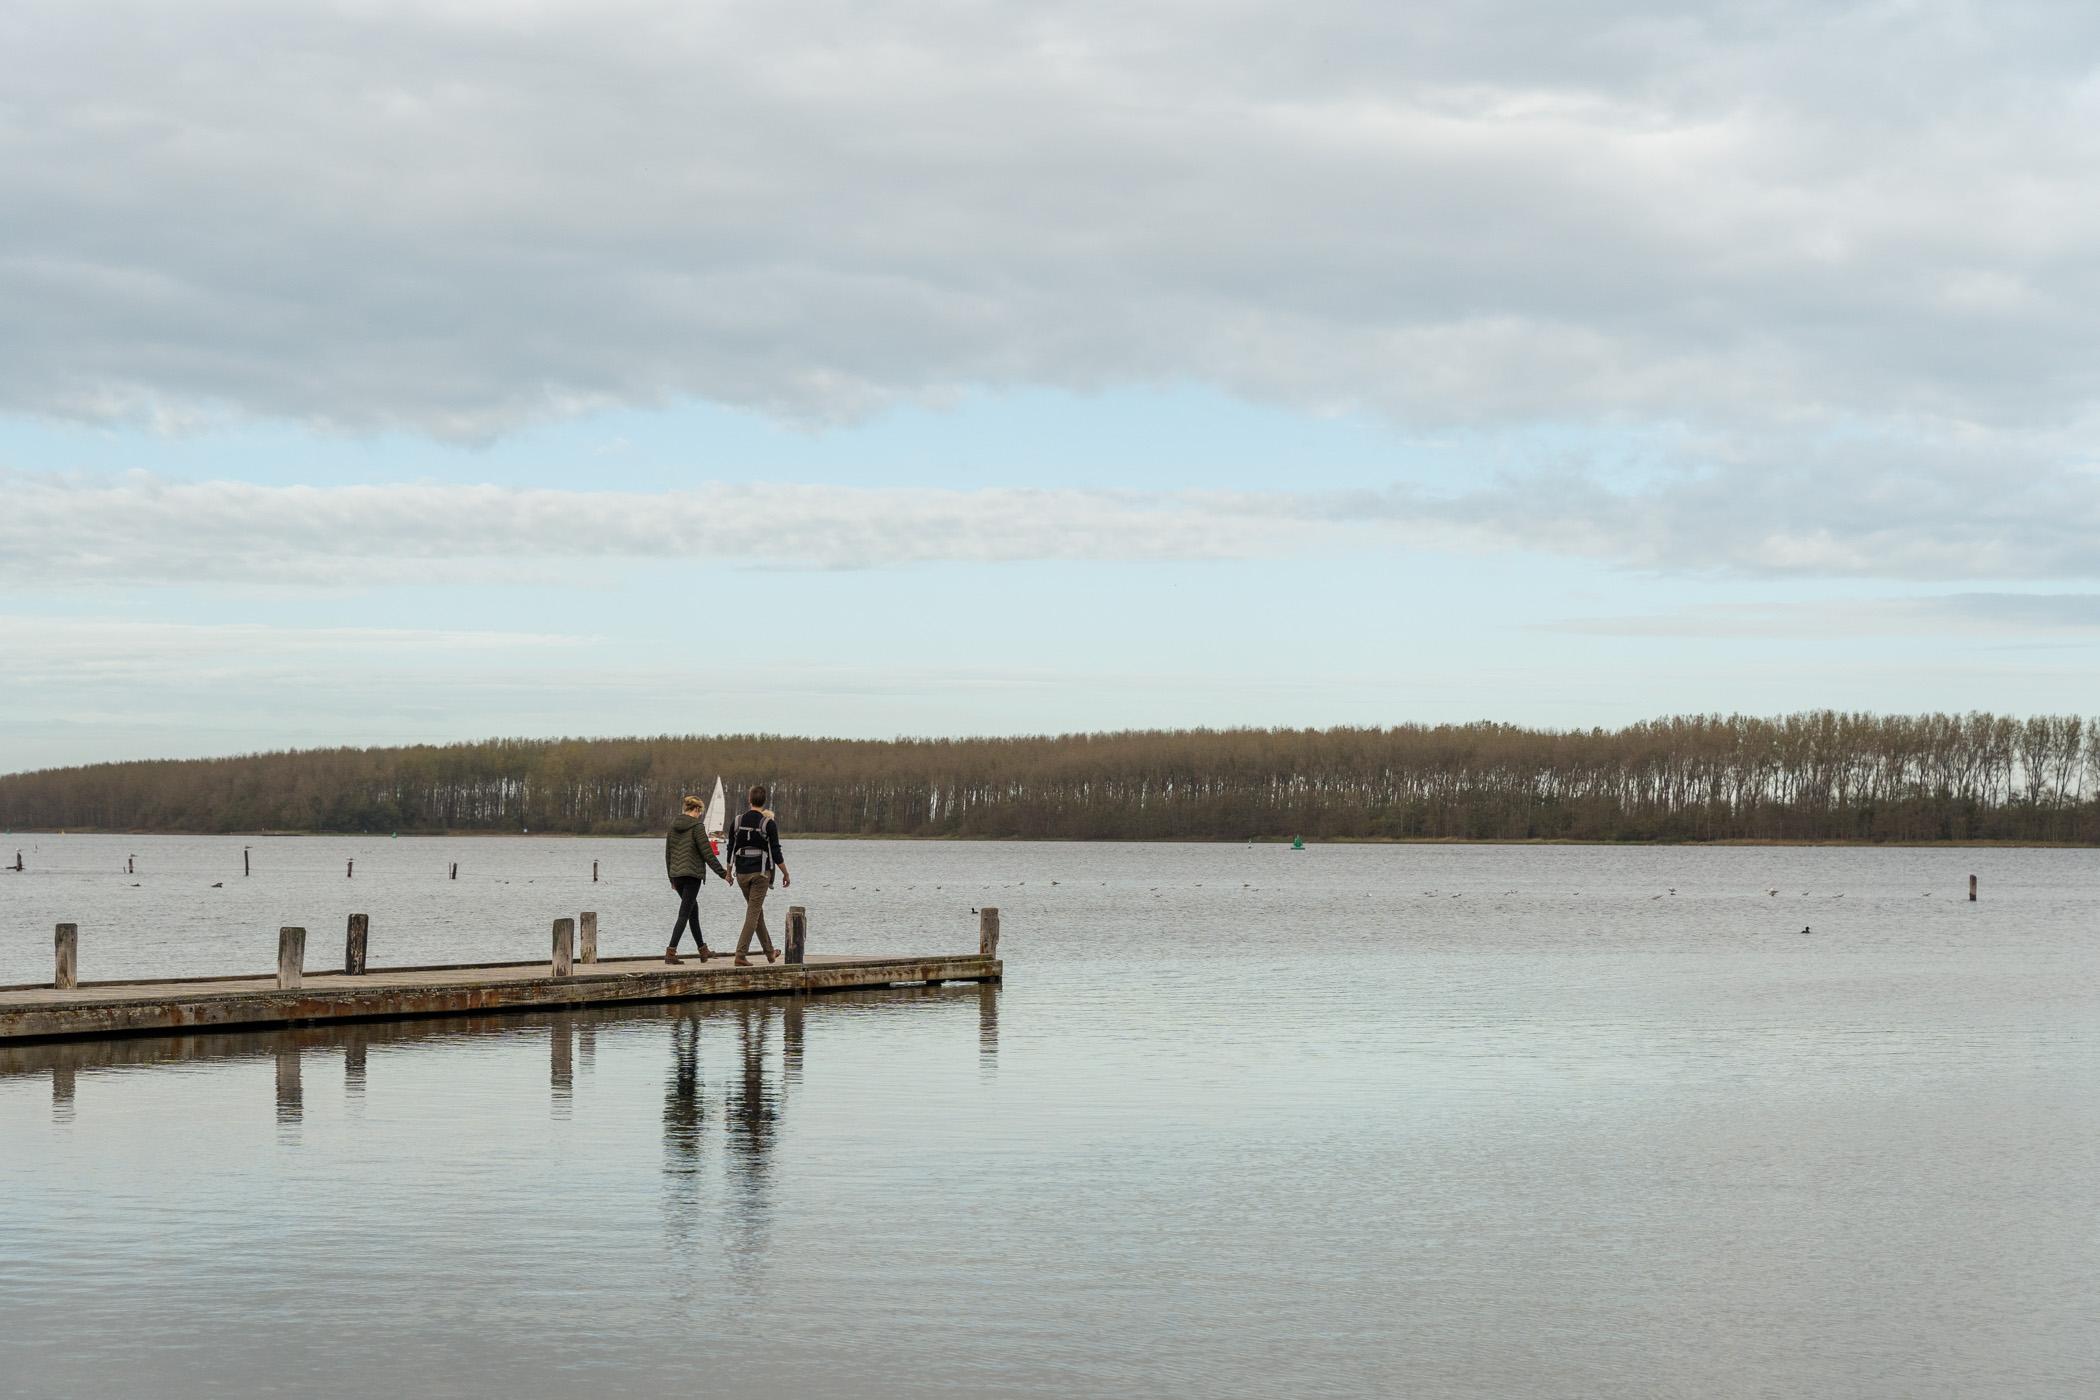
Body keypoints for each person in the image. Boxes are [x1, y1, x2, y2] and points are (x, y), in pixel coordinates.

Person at [728, 783, 790, 966]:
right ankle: (740, 954)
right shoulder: (768, 824)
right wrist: (785, 873)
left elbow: (731, 847)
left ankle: (770, 953)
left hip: (741, 875)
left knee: (757, 912)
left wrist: (728, 871)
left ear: (749, 800)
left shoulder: (737, 821)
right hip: (760, 875)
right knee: (753, 913)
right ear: (764, 802)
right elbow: (776, 852)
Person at [664, 794, 731, 964]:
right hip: (692, 875)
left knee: (693, 910)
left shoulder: (673, 826)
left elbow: (668, 853)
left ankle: (703, 950)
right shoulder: (697, 827)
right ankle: (671, 952)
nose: (700, 814)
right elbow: (707, 853)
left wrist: (671, 878)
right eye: (700, 811)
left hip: (677, 875)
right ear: (695, 809)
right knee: (684, 913)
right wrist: (723, 873)